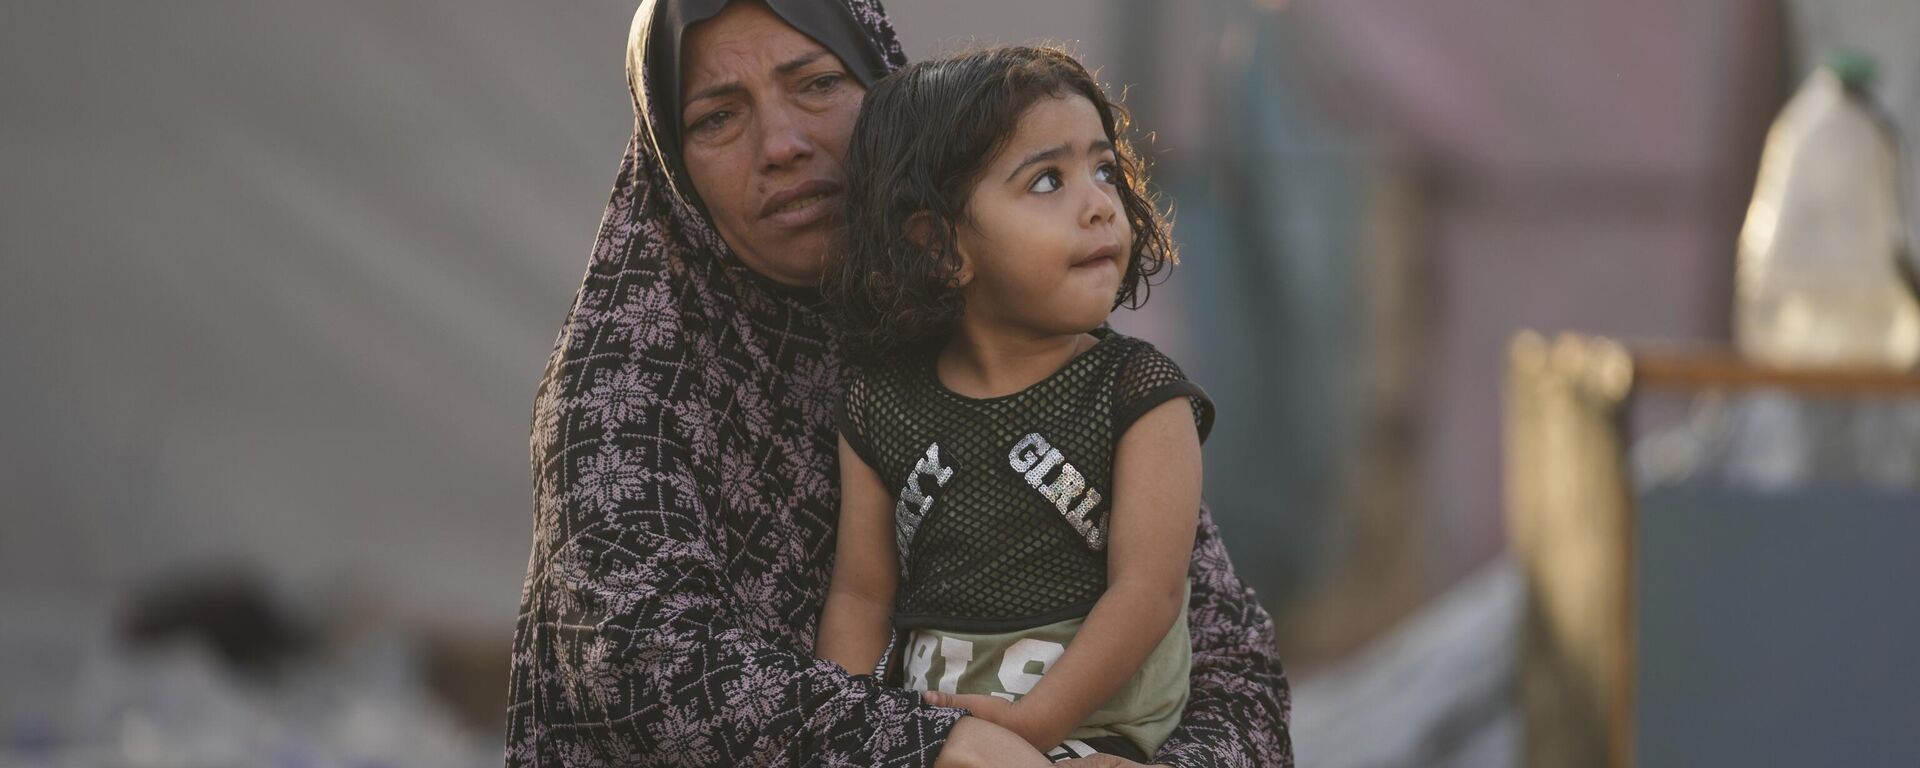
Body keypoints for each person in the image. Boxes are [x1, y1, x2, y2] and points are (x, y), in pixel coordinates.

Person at [505, 1, 1294, 766]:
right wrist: (926, 746)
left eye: (816, 84)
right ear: (673, 164)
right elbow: (634, 668)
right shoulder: (626, 390)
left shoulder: (1032, 339)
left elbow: (1231, 660)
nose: (780, 144)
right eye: (717, 117)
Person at [815, 45, 1206, 764]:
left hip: (1093, 730)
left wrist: (1031, 728)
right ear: (941, 248)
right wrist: (847, 732)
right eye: (1048, 180)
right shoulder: (882, 405)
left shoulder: (1138, 395)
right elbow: (861, 600)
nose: (1097, 205)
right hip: (937, 733)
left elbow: (1148, 592)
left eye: (1104, 170)